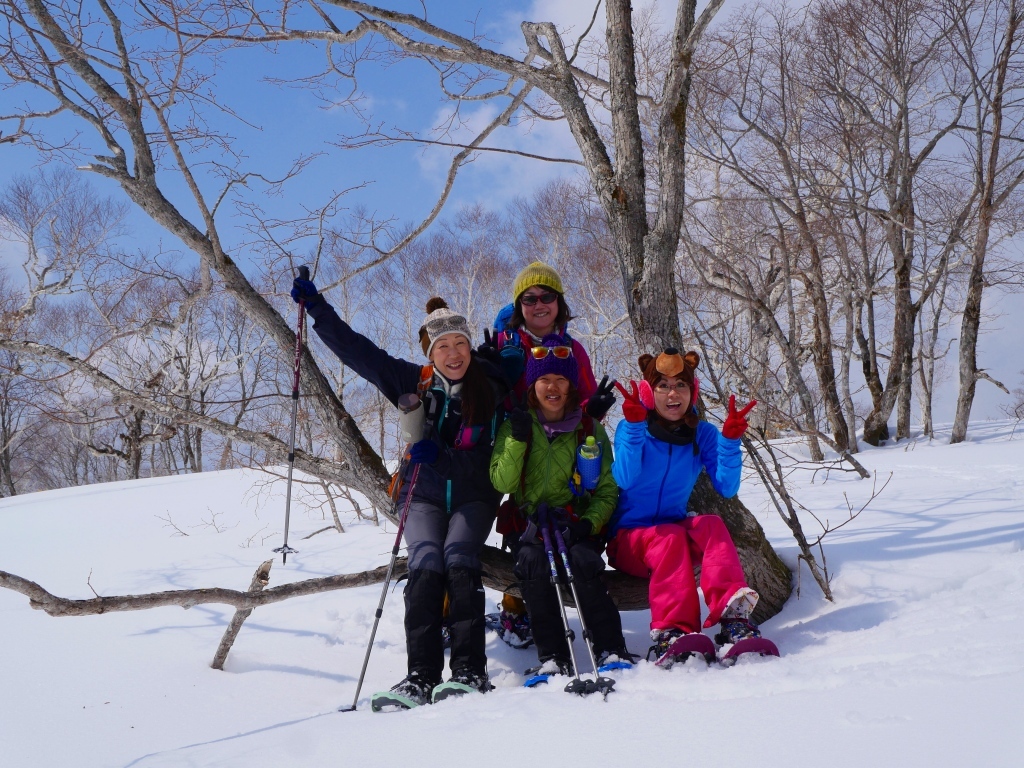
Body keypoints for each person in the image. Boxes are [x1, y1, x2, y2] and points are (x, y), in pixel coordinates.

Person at [291, 276, 519, 708]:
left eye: (460, 343)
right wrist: (318, 309)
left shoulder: (491, 390)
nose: (453, 354)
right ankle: (420, 675)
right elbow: (358, 352)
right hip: (423, 494)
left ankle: (471, 670)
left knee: (459, 559)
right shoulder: (411, 381)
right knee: (426, 563)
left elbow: (491, 459)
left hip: (474, 495)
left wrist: (444, 458)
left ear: (471, 347)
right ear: (430, 353)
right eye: (443, 346)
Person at [485, 261, 617, 645]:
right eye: (530, 298)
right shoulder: (504, 343)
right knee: (517, 536)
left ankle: (601, 636)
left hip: (560, 443)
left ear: (559, 302)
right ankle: (515, 610)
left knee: (559, 524)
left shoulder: (573, 348)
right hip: (510, 440)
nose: (539, 304)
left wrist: (594, 412)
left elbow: (583, 396)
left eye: (548, 296)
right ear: (518, 304)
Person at [606, 348, 765, 665]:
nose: (672, 393)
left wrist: (730, 442)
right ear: (651, 392)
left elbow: (727, 487)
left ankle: (734, 619)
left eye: (681, 384)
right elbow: (623, 478)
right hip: (629, 540)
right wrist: (635, 427)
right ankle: (673, 630)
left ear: (692, 392)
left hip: (672, 532)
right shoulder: (632, 426)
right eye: (662, 385)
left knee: (711, 524)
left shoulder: (700, 433)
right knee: (668, 537)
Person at [489, 333, 632, 677]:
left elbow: (608, 490)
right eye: (543, 379)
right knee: (533, 565)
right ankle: (554, 657)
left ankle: (611, 649)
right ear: (532, 384)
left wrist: (588, 524)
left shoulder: (590, 429)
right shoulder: (517, 424)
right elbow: (502, 482)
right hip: (530, 528)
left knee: (583, 561)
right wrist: (518, 440)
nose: (552, 387)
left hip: (576, 524)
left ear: (570, 386)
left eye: (560, 379)